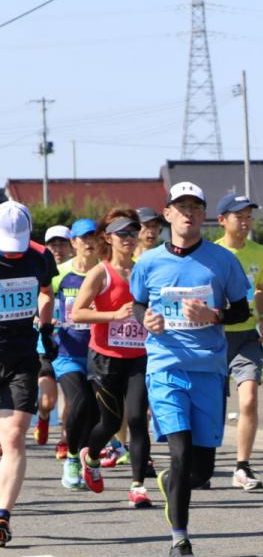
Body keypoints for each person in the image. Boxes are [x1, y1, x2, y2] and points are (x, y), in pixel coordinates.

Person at [130, 182, 251, 557]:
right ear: (167, 215)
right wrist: (145, 319)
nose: (187, 213)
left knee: (200, 470)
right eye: (180, 207)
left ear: (204, 216)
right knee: (179, 453)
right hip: (166, 366)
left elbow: (243, 311)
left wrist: (213, 315)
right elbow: (137, 304)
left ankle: (174, 482)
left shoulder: (222, 260)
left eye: (195, 207)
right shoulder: (148, 262)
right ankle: (179, 540)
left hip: (209, 370)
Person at [70, 209, 155, 506]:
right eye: (122, 233)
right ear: (109, 238)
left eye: (133, 232)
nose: (129, 238)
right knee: (110, 422)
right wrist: (112, 315)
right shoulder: (100, 272)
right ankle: (90, 457)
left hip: (139, 355)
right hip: (106, 356)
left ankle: (137, 486)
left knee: (137, 419)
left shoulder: (144, 270)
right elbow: (77, 312)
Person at [0, 201, 56, 546]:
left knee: (15, 435)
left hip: (22, 356)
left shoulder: (40, 256)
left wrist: (46, 328)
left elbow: (46, 292)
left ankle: (3, 516)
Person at [215, 192, 263, 491]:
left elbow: (260, 288)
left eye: (249, 216)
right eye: (239, 216)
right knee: (212, 404)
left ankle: (242, 466)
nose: (246, 222)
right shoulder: (212, 254)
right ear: (222, 220)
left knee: (249, 397)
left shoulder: (259, 252)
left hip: (247, 335)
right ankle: (201, 457)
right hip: (215, 336)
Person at [53, 219, 101, 491]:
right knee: (79, 401)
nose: (89, 242)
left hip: (98, 353)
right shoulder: (60, 273)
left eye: (93, 237)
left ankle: (84, 454)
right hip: (67, 352)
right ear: (73, 243)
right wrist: (42, 318)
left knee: (95, 414)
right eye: (83, 238)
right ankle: (71, 459)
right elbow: (44, 298)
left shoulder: (103, 274)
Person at [35, 225, 71, 448]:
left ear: (71, 246)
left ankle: (65, 439)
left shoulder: (77, 275)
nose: (57, 248)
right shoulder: (38, 271)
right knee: (48, 401)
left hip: (70, 345)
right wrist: (40, 321)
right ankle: (44, 417)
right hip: (44, 345)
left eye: (62, 244)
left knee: (70, 400)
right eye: (53, 244)